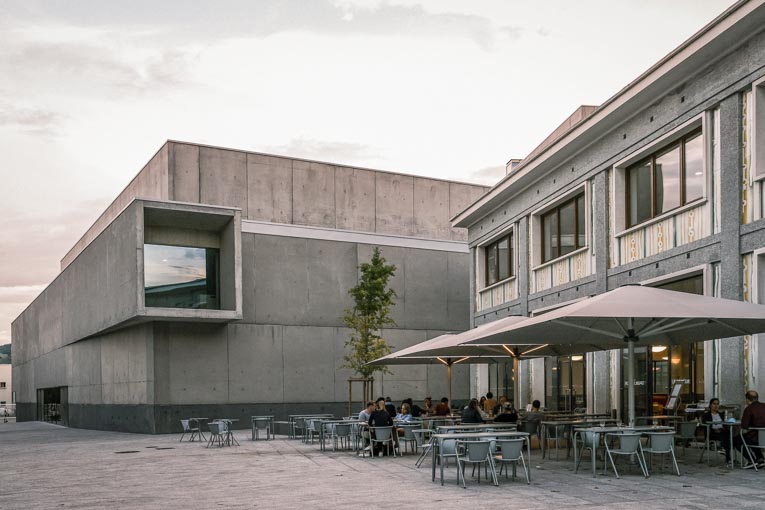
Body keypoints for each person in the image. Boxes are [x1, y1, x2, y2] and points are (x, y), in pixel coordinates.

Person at [733, 390, 765, 467]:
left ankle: (752, 460)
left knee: (737, 440)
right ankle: (760, 458)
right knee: (751, 437)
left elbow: (744, 425)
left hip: (756, 438)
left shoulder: (749, 409)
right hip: (762, 438)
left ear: (747, 399)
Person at [701, 398, 730, 464]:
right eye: (714, 404)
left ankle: (725, 451)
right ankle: (727, 454)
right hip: (712, 433)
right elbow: (706, 424)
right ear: (710, 405)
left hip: (722, 432)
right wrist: (715, 429)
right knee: (725, 437)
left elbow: (724, 424)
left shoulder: (721, 414)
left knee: (728, 435)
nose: (716, 406)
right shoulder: (706, 415)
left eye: (717, 404)